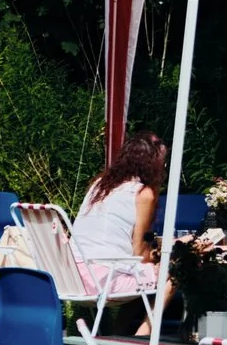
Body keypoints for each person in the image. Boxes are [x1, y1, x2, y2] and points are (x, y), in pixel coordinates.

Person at [70, 130, 174, 331]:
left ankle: (117, 337)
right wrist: (167, 251)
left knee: (141, 278)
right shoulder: (144, 193)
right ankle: (142, 339)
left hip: (72, 277)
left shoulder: (99, 185)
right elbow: (140, 254)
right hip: (102, 281)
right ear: (152, 164)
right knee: (176, 272)